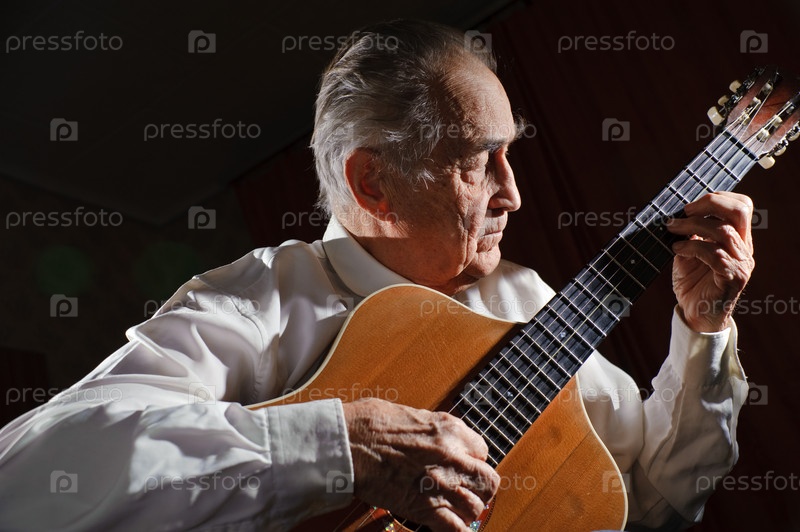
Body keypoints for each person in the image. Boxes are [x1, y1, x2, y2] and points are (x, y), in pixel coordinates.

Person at [0, 19, 754, 532]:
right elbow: (28, 480)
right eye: (478, 161)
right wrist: (336, 448)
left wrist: (705, 330)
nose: (514, 193)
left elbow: (653, 501)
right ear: (374, 184)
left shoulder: (528, 300)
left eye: (513, 155)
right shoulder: (264, 299)